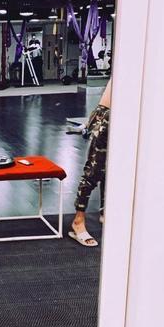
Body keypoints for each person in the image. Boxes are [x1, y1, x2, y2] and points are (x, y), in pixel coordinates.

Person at [69, 78, 111, 247]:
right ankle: (78, 221)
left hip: (132, 119)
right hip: (107, 116)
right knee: (94, 172)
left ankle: (106, 213)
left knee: (116, 171)